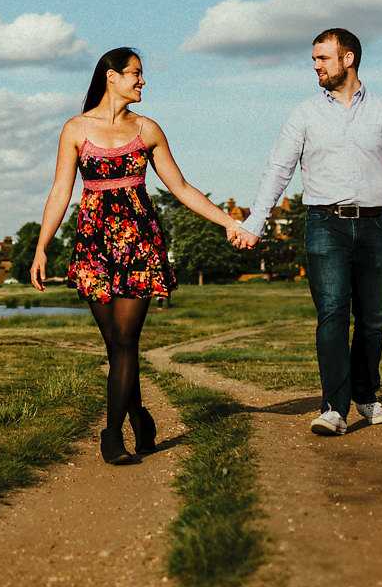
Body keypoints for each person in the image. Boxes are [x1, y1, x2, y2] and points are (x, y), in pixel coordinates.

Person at [31, 47, 241, 464]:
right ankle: (141, 417)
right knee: (115, 345)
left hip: (140, 245)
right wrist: (41, 247)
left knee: (126, 340)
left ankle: (111, 435)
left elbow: (181, 188)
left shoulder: (148, 130)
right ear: (112, 77)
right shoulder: (75, 129)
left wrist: (229, 222)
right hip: (93, 246)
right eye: (135, 74)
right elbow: (60, 191)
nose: (142, 80)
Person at [229, 28, 382, 436]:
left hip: (376, 224)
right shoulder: (304, 113)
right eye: (315, 59)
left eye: (323, 58)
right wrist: (256, 221)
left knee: (373, 319)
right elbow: (278, 170)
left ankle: (367, 397)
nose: (316, 66)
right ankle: (334, 408)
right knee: (333, 315)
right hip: (325, 224)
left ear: (348, 59)